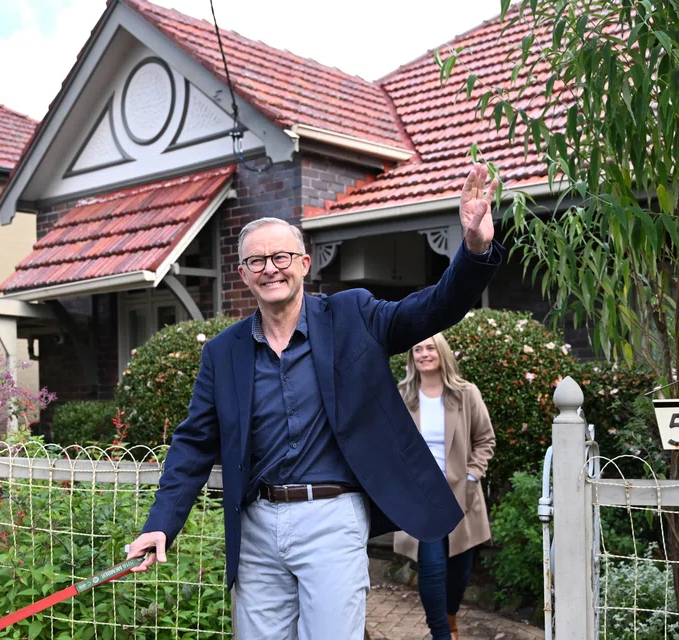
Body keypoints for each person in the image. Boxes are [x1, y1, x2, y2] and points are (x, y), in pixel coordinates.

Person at [124, 164, 502, 639]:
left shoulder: (353, 316)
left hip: (333, 517)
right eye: (257, 262)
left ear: (304, 263)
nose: (270, 269)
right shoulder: (223, 353)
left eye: (281, 257)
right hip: (257, 527)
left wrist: (473, 250)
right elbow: (193, 444)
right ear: (243, 274)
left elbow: (432, 308)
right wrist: (161, 524)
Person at [393, 333, 495, 640]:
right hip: (421, 496)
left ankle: (450, 617)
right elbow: (390, 444)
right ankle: (441, 633)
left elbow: (485, 440)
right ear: (412, 357)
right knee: (432, 565)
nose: (423, 354)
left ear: (442, 353)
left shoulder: (465, 394)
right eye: (417, 349)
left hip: (460, 494)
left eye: (429, 348)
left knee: (460, 569)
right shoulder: (402, 395)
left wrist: (473, 476)